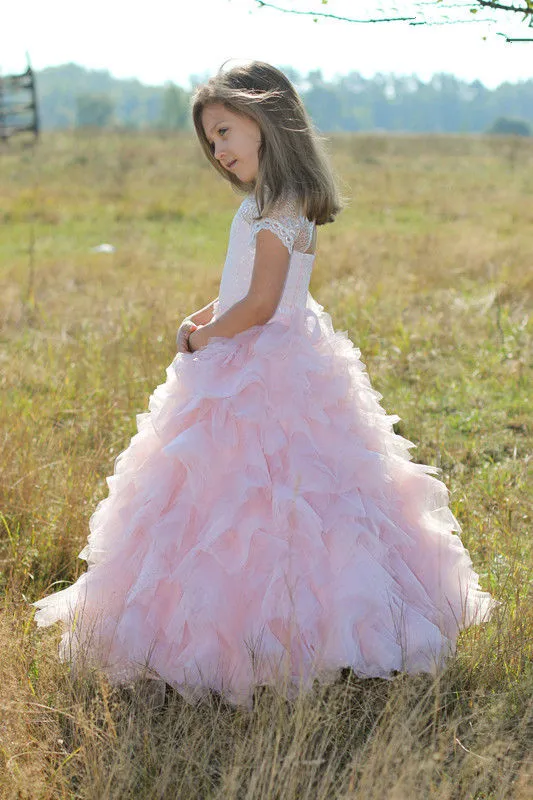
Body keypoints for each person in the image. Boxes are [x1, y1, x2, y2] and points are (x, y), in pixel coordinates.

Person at [31, 61, 499, 710]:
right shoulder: (263, 206)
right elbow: (240, 291)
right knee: (219, 493)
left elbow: (258, 305)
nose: (218, 152)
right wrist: (205, 313)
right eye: (210, 142)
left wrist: (202, 337)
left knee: (269, 495)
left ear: (265, 121)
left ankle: (286, 633)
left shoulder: (282, 209)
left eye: (224, 132)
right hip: (256, 346)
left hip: (264, 361)